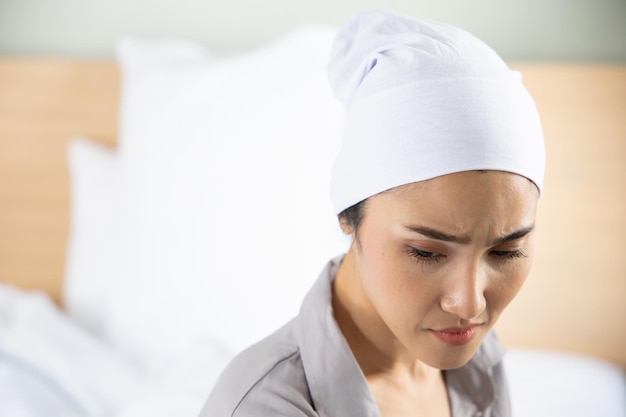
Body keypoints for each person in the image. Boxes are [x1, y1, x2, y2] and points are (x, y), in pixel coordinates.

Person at [199, 9, 544, 417]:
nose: (469, 305)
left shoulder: (479, 364)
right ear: (348, 217)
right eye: (426, 252)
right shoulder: (269, 405)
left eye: (505, 252)